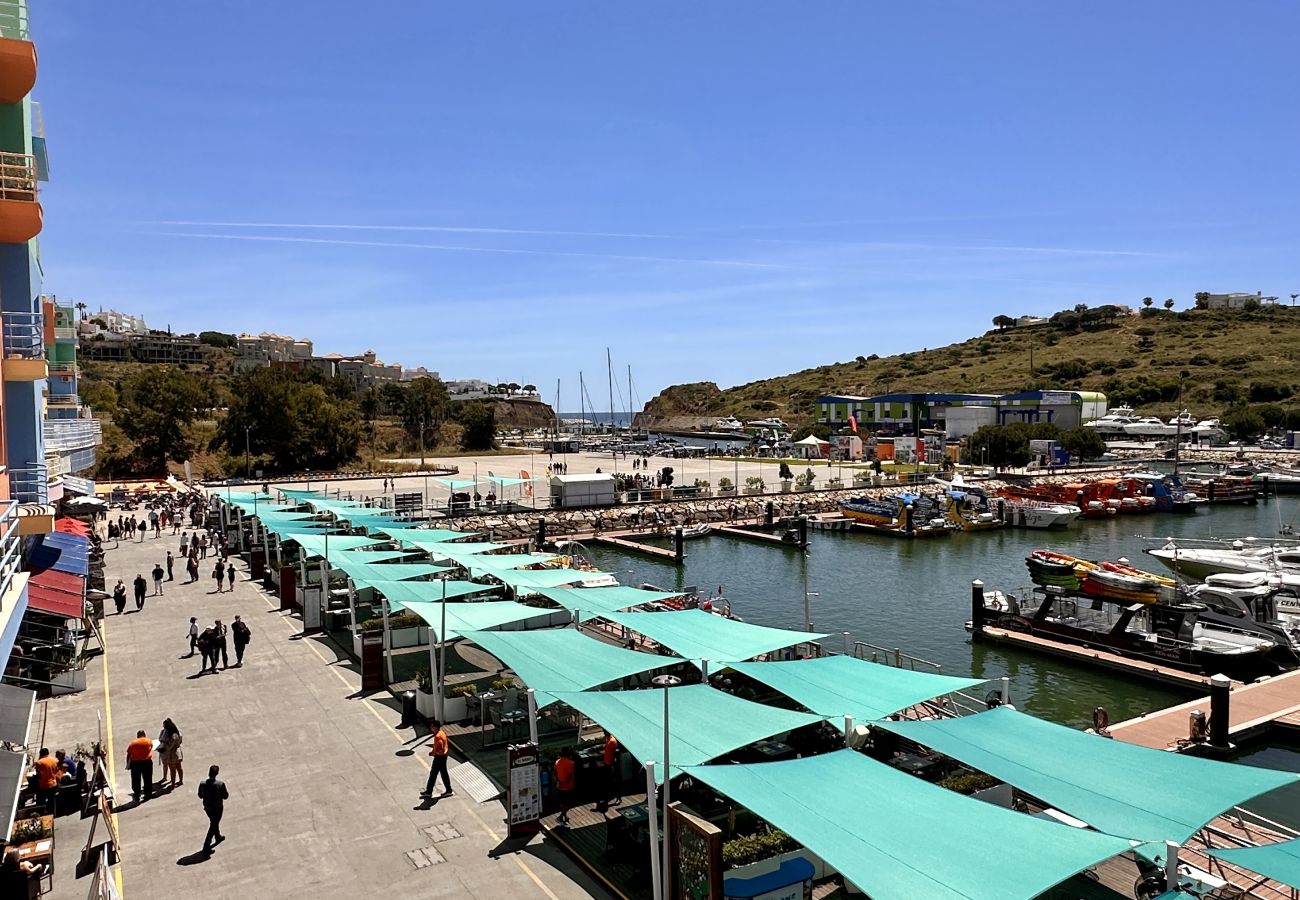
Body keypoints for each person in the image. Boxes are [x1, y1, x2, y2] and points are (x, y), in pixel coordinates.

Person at [197, 764, 228, 852]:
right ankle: (206, 846)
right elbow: (225, 796)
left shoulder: (202, 784)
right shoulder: (220, 784)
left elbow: (200, 795)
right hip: (218, 807)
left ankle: (217, 836)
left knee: (214, 822)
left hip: (208, 807)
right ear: (217, 773)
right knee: (213, 824)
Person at [420, 720, 453, 798]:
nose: (431, 728)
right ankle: (448, 790)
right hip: (444, 755)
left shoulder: (437, 736)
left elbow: (439, 747)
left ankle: (429, 792)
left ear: (435, 727)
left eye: (432, 726)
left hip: (439, 757)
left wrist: (433, 753)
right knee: (443, 773)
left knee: (433, 774)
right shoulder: (442, 733)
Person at [126, 730, 154, 802]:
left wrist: (128, 764)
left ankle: (137, 795)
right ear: (144, 734)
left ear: (137, 735)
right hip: (147, 762)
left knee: (136, 780)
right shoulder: (149, 741)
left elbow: (129, 754)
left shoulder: (133, 743)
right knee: (148, 779)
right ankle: (148, 794)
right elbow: (151, 747)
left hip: (136, 763)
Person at [554, 747, 576, 826]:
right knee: (569, 803)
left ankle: (564, 816)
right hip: (568, 786)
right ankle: (560, 817)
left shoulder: (557, 762)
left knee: (563, 803)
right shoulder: (571, 763)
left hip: (559, 786)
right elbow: (570, 775)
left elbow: (555, 773)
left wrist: (557, 782)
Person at [33, 747, 60, 813]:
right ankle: (52, 812)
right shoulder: (54, 760)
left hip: (44, 786)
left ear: (40, 754)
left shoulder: (39, 762)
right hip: (54, 784)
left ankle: (41, 813)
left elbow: (38, 774)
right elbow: (57, 771)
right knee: (51, 800)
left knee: (40, 801)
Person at [159, 718, 183, 787]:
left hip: (172, 754)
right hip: (178, 752)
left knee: (173, 769)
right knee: (179, 767)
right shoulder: (178, 733)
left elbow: (170, 747)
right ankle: (180, 780)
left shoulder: (172, 735)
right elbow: (180, 741)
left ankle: (173, 784)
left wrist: (165, 745)